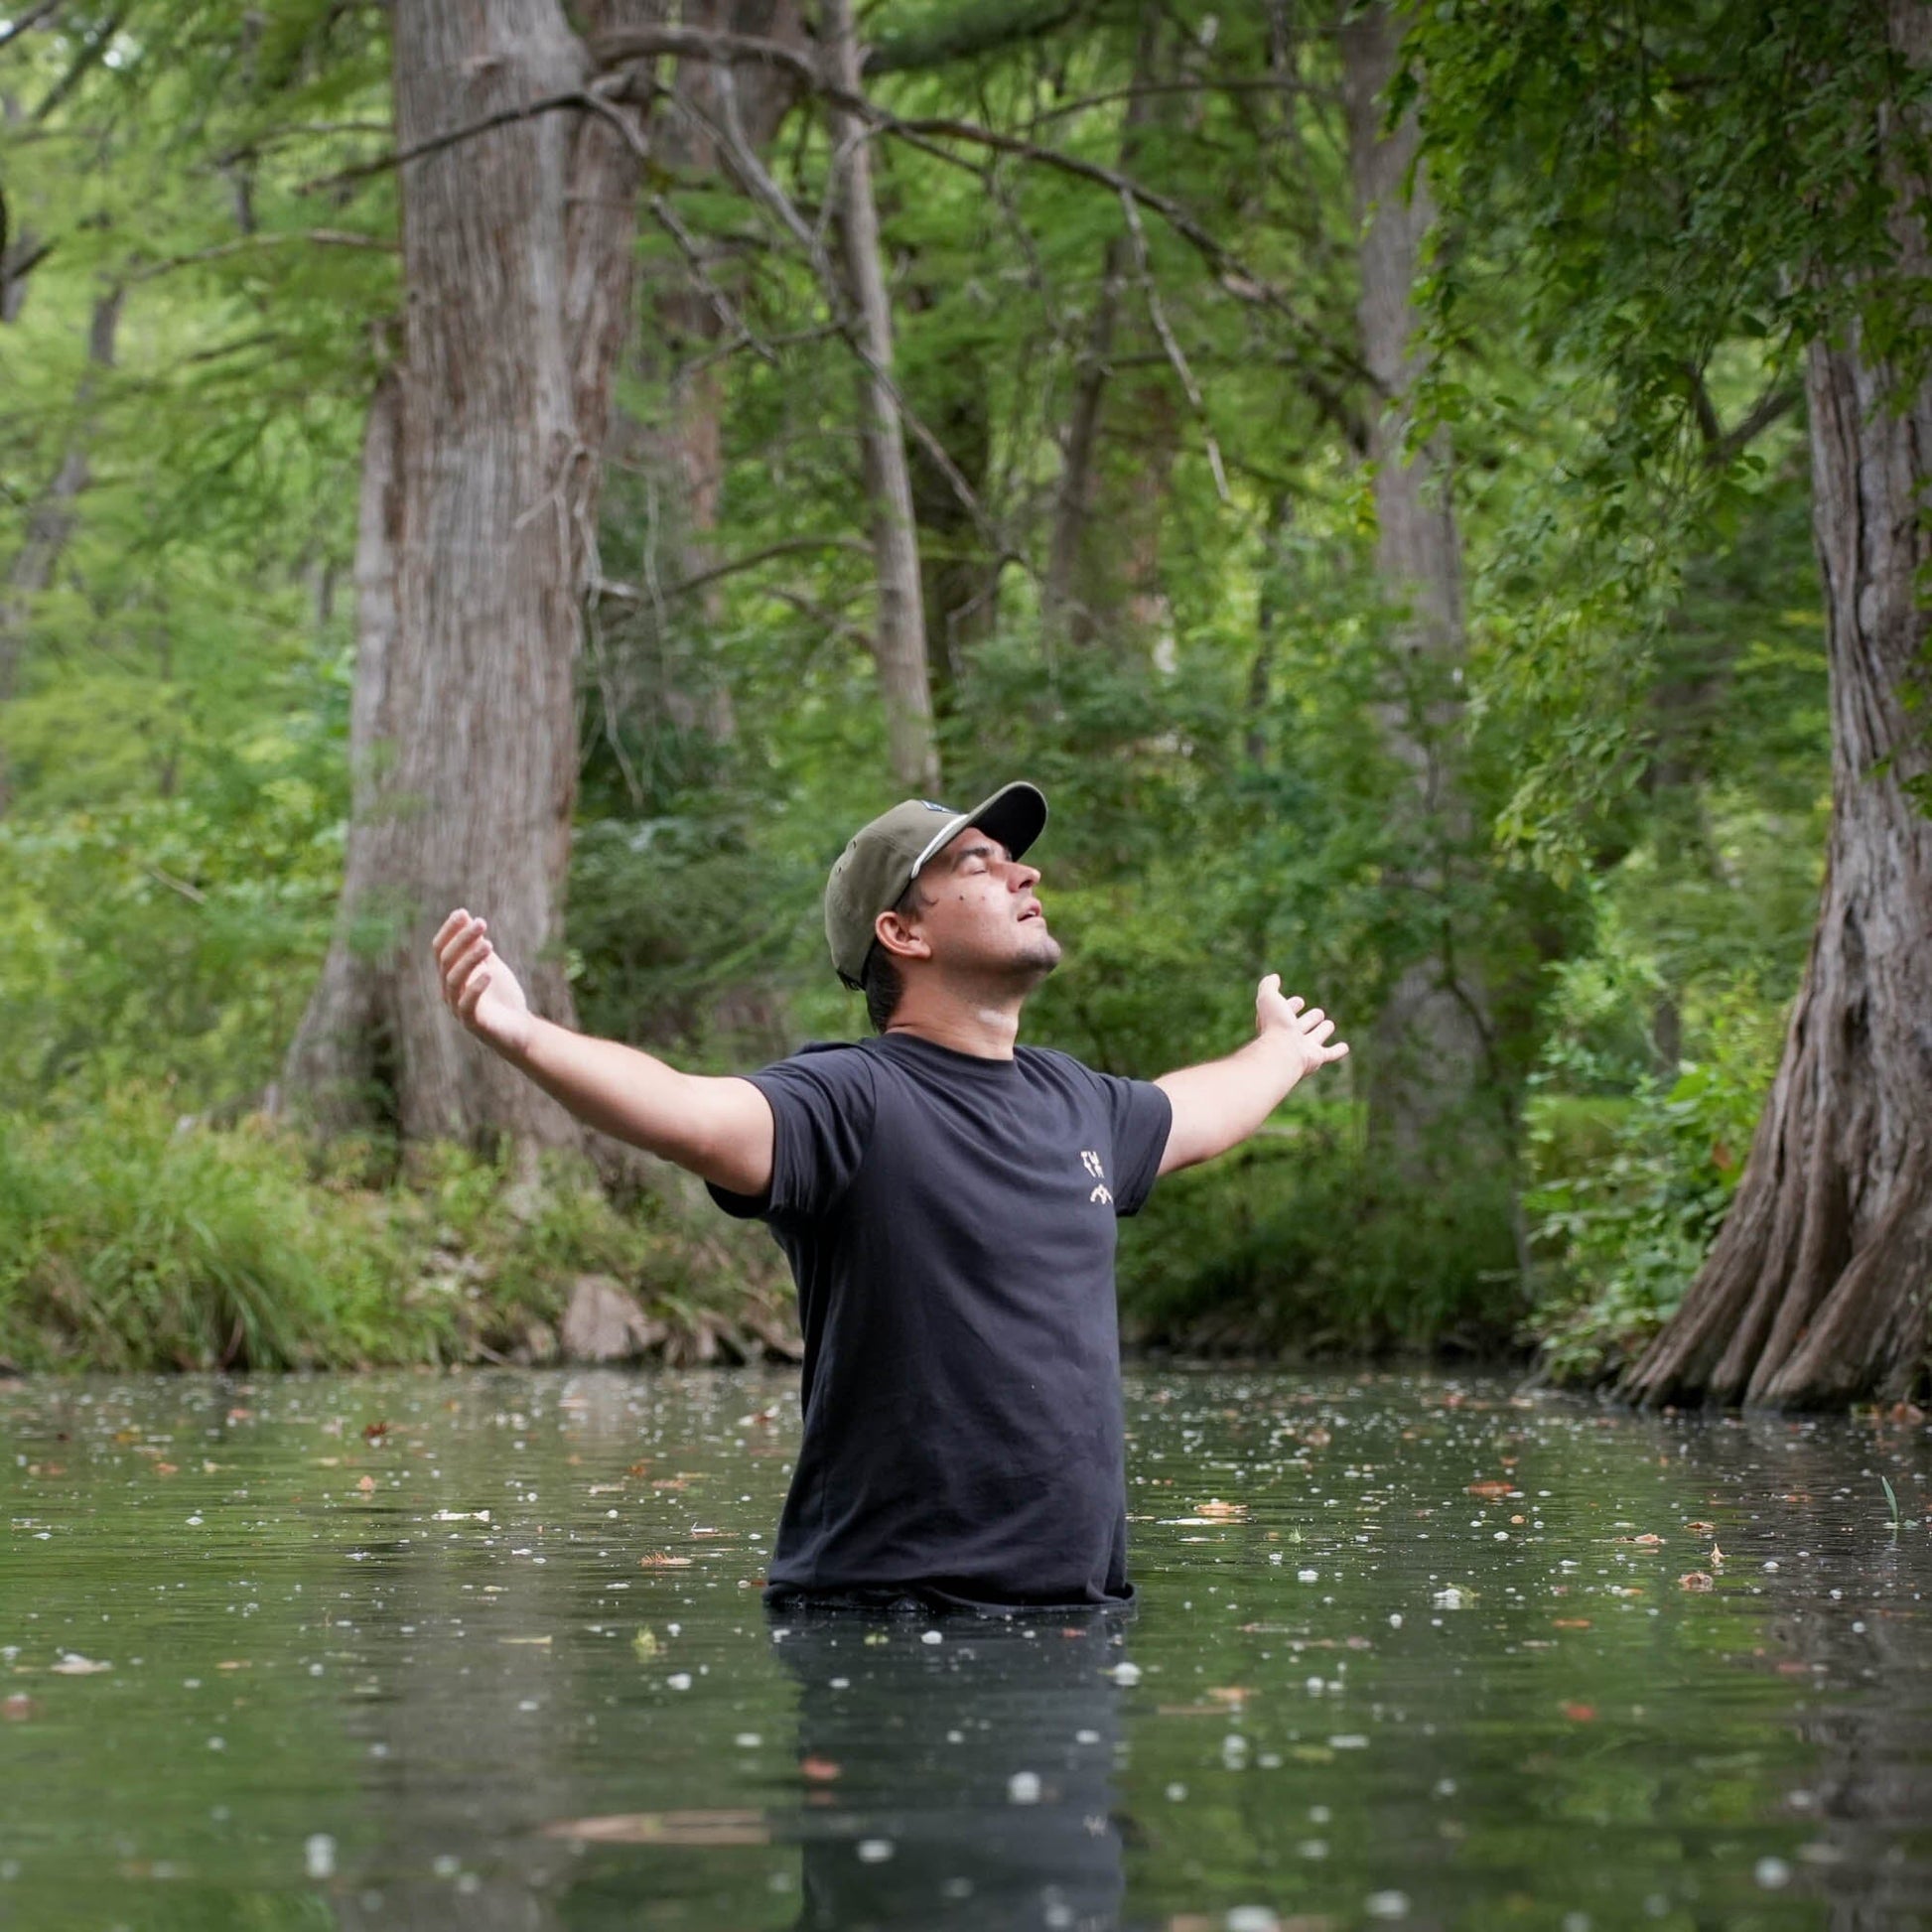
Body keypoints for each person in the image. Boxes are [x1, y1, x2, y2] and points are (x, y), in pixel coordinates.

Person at [431, 781, 1347, 1612]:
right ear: (901, 934)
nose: (1024, 872)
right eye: (977, 863)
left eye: (1011, 856)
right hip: (890, 1619)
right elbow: (687, 1110)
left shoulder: (1078, 1100)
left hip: (1075, 1617)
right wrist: (522, 1034)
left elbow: (1200, 1111)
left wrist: (1281, 1051)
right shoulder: (848, 1099)